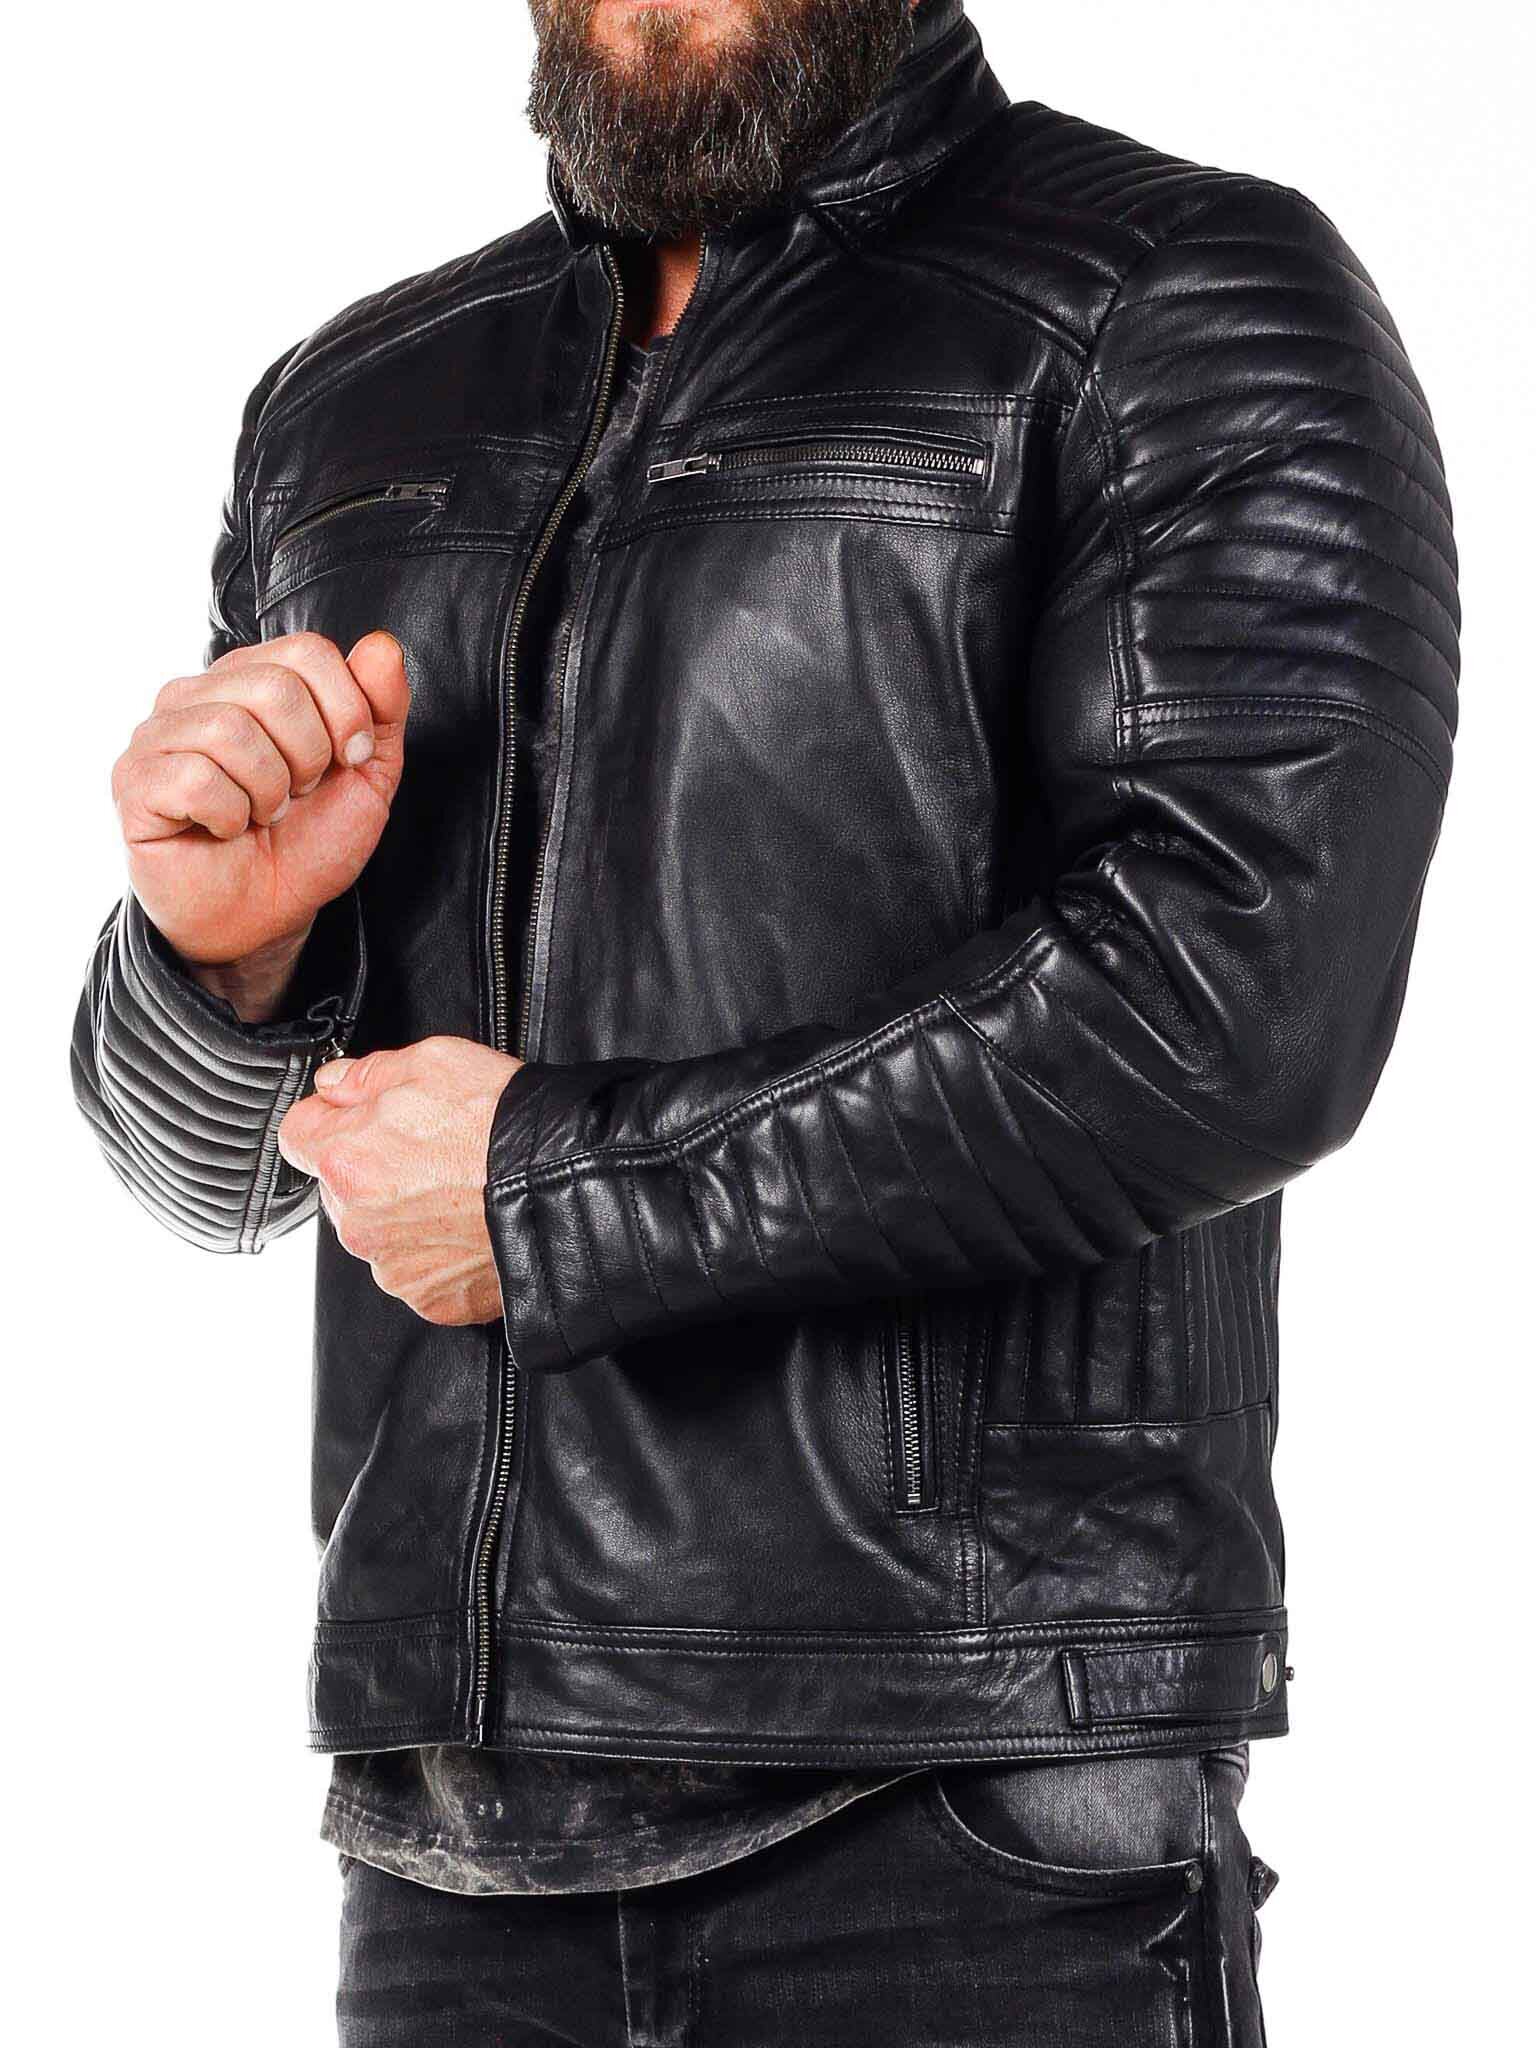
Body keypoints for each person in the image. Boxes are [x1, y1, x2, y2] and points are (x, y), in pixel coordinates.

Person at [69, 0, 1457, 2039]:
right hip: (454, 1851)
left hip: (970, 1811)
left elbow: (1237, 999)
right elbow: (225, 1178)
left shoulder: (1171, 294)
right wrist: (220, 957)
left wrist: (549, 1193)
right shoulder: (353, 404)